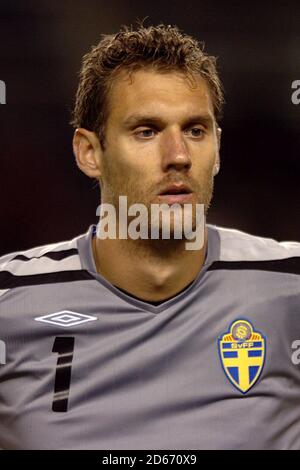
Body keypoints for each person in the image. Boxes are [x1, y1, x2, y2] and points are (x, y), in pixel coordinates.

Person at [0, 22, 300, 450]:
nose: (178, 156)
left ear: (217, 148)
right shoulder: (9, 300)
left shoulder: (291, 288)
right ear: (89, 153)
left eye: (196, 131)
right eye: (146, 131)